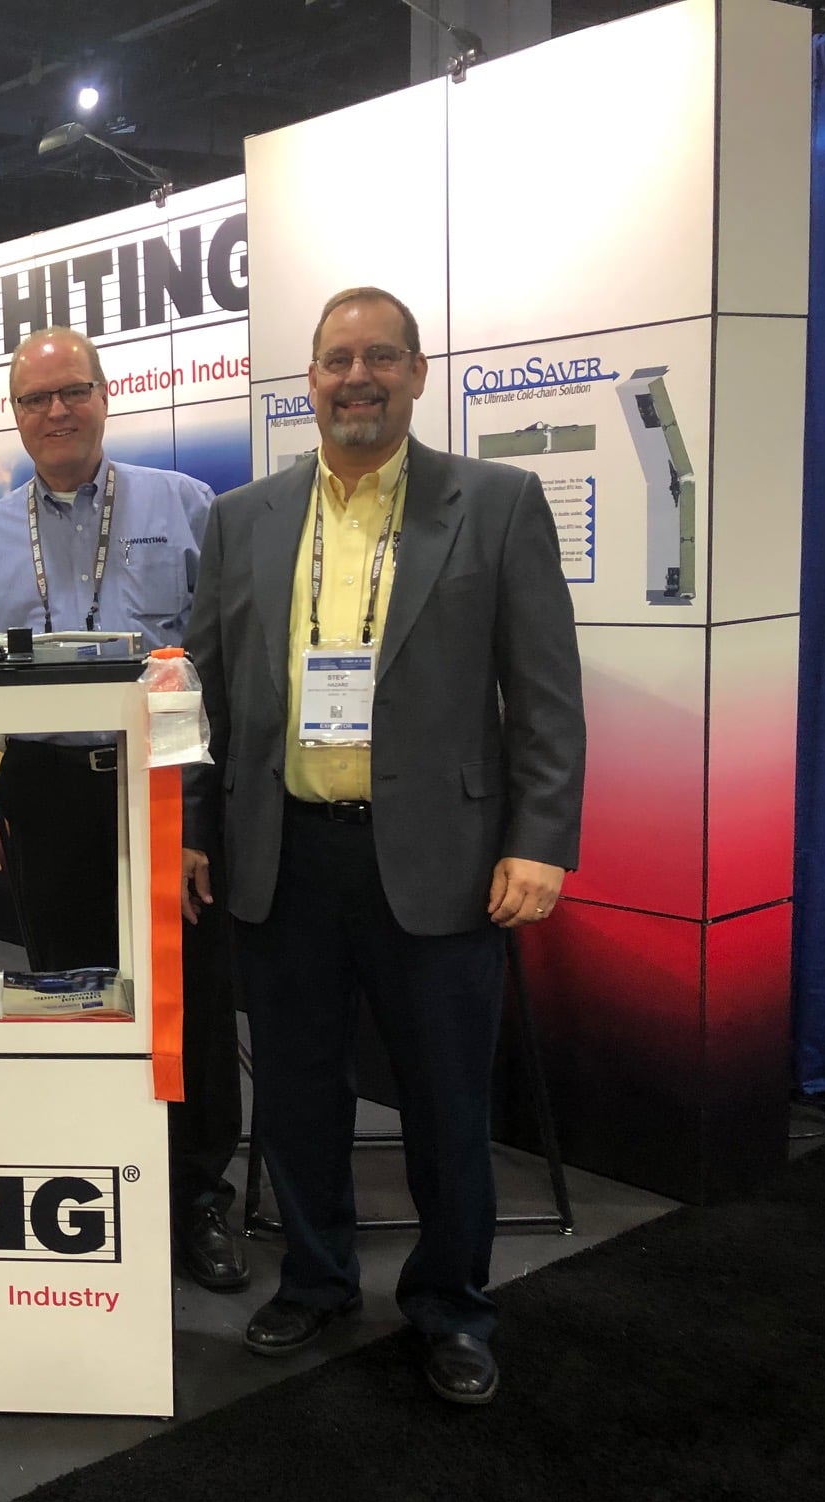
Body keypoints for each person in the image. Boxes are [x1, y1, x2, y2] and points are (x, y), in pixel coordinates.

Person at [181, 287, 585, 1406]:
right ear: (308, 381)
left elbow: (545, 692)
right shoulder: (244, 519)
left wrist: (540, 839)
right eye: (336, 360)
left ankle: (452, 1306)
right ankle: (315, 1281)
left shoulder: (494, 504)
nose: (356, 378)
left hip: (442, 859)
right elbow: (205, 700)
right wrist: (195, 832)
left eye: (380, 358)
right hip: (284, 855)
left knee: (447, 1102)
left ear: (416, 372)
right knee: (298, 1093)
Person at [0, 327, 246, 1295]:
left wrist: (201, 821)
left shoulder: (185, 506)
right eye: (36, 399)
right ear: (16, 416)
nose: (56, 412)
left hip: (163, 784)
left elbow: (221, 667)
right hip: (47, 788)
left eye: (73, 391)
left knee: (187, 998)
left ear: (106, 396)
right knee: (70, 989)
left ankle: (198, 1194)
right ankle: (94, 1175)